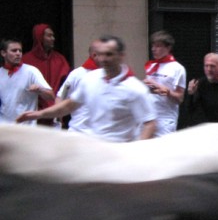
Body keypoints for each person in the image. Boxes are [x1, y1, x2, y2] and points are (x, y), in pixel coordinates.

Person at [17, 35, 156, 142]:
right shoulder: (90, 79)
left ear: (121, 56)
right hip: (92, 149)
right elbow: (69, 105)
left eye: (109, 54)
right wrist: (38, 114)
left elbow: (149, 124)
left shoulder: (135, 89)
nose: (103, 59)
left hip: (119, 154)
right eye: (100, 54)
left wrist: (136, 153)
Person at [22, 24, 70, 126]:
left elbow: (67, 85)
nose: (53, 38)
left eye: (53, 35)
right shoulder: (26, 61)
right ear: (40, 37)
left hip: (55, 112)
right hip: (33, 112)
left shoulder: (60, 60)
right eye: (49, 35)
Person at [0, 39, 54, 125]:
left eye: (20, 51)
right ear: (3, 53)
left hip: (26, 127)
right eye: (14, 51)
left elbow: (51, 96)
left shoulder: (31, 71)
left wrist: (40, 90)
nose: (18, 53)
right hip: (4, 127)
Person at [143, 31, 186, 137]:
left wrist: (166, 91)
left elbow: (180, 98)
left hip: (165, 119)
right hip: (148, 117)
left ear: (168, 47)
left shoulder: (177, 68)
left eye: (158, 46)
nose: (153, 49)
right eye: (153, 45)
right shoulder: (151, 66)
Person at [56, 40, 100, 133]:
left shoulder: (109, 75)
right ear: (94, 55)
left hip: (100, 136)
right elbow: (61, 96)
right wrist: (58, 118)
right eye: (104, 53)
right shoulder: (76, 74)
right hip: (78, 133)